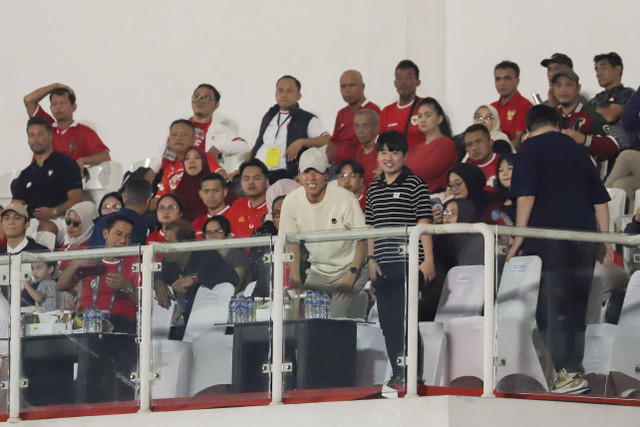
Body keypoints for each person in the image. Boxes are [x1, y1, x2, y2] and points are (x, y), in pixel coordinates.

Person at [507, 104, 614, 394]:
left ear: (528, 129)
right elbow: (601, 201)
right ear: (557, 123)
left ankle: (567, 373)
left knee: (549, 309)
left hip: (546, 241)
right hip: (583, 241)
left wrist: (518, 237)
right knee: (576, 311)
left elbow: (526, 195)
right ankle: (574, 372)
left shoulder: (529, 149)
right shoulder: (579, 150)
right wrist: (605, 241)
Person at [365, 130, 435, 385]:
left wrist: (427, 260)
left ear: (404, 155)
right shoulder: (373, 188)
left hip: (408, 262)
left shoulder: (415, 184)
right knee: (388, 321)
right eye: (383, 152)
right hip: (382, 265)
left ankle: (414, 373)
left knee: (406, 320)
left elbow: (424, 223)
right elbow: (370, 228)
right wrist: (371, 259)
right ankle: (398, 371)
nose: (388, 157)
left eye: (394, 152)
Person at [279, 148, 369, 318]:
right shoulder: (291, 202)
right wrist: (297, 282)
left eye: (318, 172)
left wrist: (351, 275)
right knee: (297, 316)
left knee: (334, 318)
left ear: (327, 174)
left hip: (351, 267)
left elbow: (362, 240)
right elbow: (291, 244)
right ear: (299, 174)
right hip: (319, 270)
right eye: (306, 172)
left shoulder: (345, 198)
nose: (311, 178)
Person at [153, 219, 238, 338]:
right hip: (184, 325)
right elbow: (157, 274)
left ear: (185, 245)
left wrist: (194, 278)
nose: (165, 247)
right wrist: (159, 284)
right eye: (164, 242)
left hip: (211, 325)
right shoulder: (169, 262)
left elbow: (232, 277)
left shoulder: (207, 255)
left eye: (169, 243)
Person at [57, 215, 140, 334]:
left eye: (128, 237)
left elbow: (145, 302)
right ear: (105, 234)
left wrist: (128, 287)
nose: (123, 241)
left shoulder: (134, 263)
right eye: (119, 234)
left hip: (121, 326)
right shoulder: (89, 260)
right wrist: (75, 265)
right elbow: (60, 287)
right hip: (87, 324)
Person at [12, 117, 83, 249]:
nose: (35, 139)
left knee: (45, 226)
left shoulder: (66, 164)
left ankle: (42, 267)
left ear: (50, 136)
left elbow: (76, 199)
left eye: (40, 134)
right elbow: (16, 205)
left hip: (60, 221)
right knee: (9, 227)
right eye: (31, 135)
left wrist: (54, 211)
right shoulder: (26, 173)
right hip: (30, 223)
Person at [250, 75, 330, 183]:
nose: (284, 95)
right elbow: (259, 143)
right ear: (276, 95)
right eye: (280, 90)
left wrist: (302, 142)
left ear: (299, 96)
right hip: (257, 173)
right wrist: (243, 167)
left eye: (289, 91)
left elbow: (327, 139)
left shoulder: (306, 118)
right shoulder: (269, 116)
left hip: (284, 174)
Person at [23, 83, 110, 170]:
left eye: (62, 103)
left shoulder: (84, 132)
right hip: (38, 178)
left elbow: (105, 156)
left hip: (67, 181)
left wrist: (82, 161)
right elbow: (28, 100)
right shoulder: (45, 126)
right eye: (54, 103)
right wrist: (55, 86)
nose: (58, 107)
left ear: (74, 107)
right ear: (50, 108)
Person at [551, 68, 619, 168]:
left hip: (583, 175)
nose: (563, 89)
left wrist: (585, 139)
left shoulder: (593, 117)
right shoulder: (547, 117)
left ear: (578, 88)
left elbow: (613, 147)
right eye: (558, 85)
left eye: (569, 85)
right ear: (553, 90)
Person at [247, 179, 300, 297]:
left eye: (287, 212)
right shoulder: (268, 249)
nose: (282, 218)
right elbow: (259, 295)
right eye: (277, 214)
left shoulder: (308, 244)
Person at [188, 83, 249, 176]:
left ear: (216, 105)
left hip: (207, 180)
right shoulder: (178, 128)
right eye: (196, 96)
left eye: (207, 98)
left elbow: (244, 146)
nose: (200, 100)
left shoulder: (222, 130)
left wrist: (219, 147)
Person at [326, 70, 381, 167]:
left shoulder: (373, 110)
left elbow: (379, 142)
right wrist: (322, 166)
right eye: (343, 86)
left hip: (360, 169)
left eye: (351, 85)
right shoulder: (341, 113)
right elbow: (334, 142)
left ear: (363, 87)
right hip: (337, 169)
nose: (347, 90)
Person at [156, 120, 225, 195]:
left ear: (194, 140)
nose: (178, 138)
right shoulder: (169, 169)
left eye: (184, 134)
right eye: (174, 134)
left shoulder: (204, 158)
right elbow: (161, 198)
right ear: (169, 140)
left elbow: (222, 176)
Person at [404, 98, 457, 193]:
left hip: (434, 197)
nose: (422, 120)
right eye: (419, 116)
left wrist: (399, 171)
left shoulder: (446, 144)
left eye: (428, 115)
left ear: (439, 119)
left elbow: (426, 171)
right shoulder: (416, 147)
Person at [587, 52, 636, 150]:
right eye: (596, 70)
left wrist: (592, 113)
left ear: (618, 70)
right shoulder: (595, 99)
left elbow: (610, 116)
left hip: (622, 148)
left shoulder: (627, 93)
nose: (598, 74)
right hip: (595, 147)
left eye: (603, 68)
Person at [88, 178, 153, 247]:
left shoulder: (101, 221)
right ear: (148, 201)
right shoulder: (143, 224)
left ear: (123, 197)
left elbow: (88, 254)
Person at [379, 60, 425, 150]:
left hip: (421, 160)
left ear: (418, 82)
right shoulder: (386, 112)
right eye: (399, 78)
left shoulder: (425, 106)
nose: (403, 82)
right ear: (395, 83)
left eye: (408, 78)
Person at [157, 147, 210, 221]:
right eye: (187, 158)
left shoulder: (214, 187)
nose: (191, 161)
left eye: (197, 157)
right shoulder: (179, 191)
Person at [491, 60, 533, 149]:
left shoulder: (525, 105)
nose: (501, 83)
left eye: (507, 78)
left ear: (517, 81)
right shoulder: (492, 107)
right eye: (498, 79)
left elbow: (519, 140)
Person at [203, 215, 248, 292]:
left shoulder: (236, 255)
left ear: (227, 234)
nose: (212, 236)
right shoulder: (204, 258)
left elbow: (234, 287)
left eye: (218, 231)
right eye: (208, 232)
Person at [226, 159, 269, 238]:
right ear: (241, 183)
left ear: (266, 182)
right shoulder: (237, 205)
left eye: (256, 178)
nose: (251, 182)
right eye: (246, 179)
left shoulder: (273, 205)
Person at [58, 201, 98, 272]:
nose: (71, 226)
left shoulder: (92, 249)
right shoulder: (64, 248)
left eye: (76, 223)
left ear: (88, 224)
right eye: (68, 221)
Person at [191, 173, 230, 239]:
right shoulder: (195, 224)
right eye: (206, 191)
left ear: (225, 192)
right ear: (200, 194)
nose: (211, 195)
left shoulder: (236, 216)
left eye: (215, 191)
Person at [463, 124, 500, 191]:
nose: (474, 148)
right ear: (466, 150)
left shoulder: (503, 163)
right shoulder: (466, 169)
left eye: (478, 142)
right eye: (469, 144)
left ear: (490, 142)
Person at [354, 109, 381, 187]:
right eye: (357, 126)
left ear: (376, 128)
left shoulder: (384, 149)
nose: (360, 131)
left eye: (365, 125)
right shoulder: (358, 150)